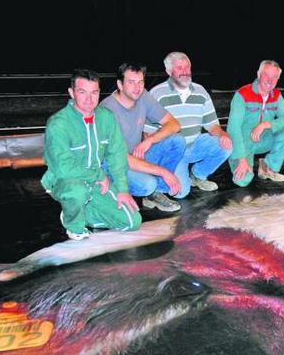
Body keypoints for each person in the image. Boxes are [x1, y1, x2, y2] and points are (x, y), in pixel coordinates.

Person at [42, 69, 141, 240]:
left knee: (132, 222)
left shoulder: (106, 118)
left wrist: (123, 190)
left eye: (94, 92)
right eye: (82, 92)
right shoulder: (58, 124)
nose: (89, 99)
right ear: (71, 93)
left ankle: (83, 212)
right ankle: (73, 222)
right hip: (65, 179)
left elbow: (117, 155)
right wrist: (98, 175)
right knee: (77, 191)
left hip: (97, 182)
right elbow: (64, 168)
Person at [101, 62, 186, 212]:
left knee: (177, 141)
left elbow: (174, 124)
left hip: (137, 156)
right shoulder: (107, 110)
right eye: (131, 82)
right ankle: (112, 191)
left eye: (140, 82)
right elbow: (119, 156)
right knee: (147, 185)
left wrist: (149, 141)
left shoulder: (143, 96)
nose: (137, 87)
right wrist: (162, 171)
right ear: (120, 84)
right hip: (114, 164)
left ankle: (155, 194)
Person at [145, 52, 232, 195]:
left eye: (187, 67)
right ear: (168, 71)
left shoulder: (200, 91)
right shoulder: (157, 94)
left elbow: (212, 125)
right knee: (180, 193)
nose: (185, 72)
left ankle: (198, 175)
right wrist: (155, 165)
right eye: (179, 68)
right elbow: (147, 133)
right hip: (173, 152)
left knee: (226, 145)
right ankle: (168, 178)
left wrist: (223, 135)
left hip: (194, 146)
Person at [226, 60, 284, 186]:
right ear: (258, 74)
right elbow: (233, 129)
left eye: (274, 77)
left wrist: (265, 125)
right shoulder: (242, 94)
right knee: (242, 181)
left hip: (263, 139)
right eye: (266, 75)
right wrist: (241, 159)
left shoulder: (276, 95)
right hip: (243, 142)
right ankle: (236, 159)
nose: (270, 80)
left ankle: (268, 167)